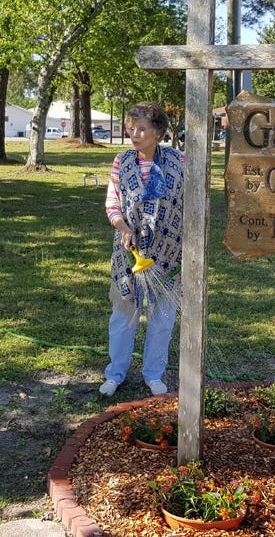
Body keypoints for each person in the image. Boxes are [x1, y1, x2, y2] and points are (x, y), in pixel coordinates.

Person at [99, 102, 184, 397]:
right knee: (123, 316)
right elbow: (112, 202)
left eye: (141, 129)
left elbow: (192, 202)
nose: (134, 134)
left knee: (162, 318)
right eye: (131, 128)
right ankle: (115, 373)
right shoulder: (121, 161)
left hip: (168, 252)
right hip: (129, 253)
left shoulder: (180, 161)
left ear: (158, 132)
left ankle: (154, 374)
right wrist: (122, 227)